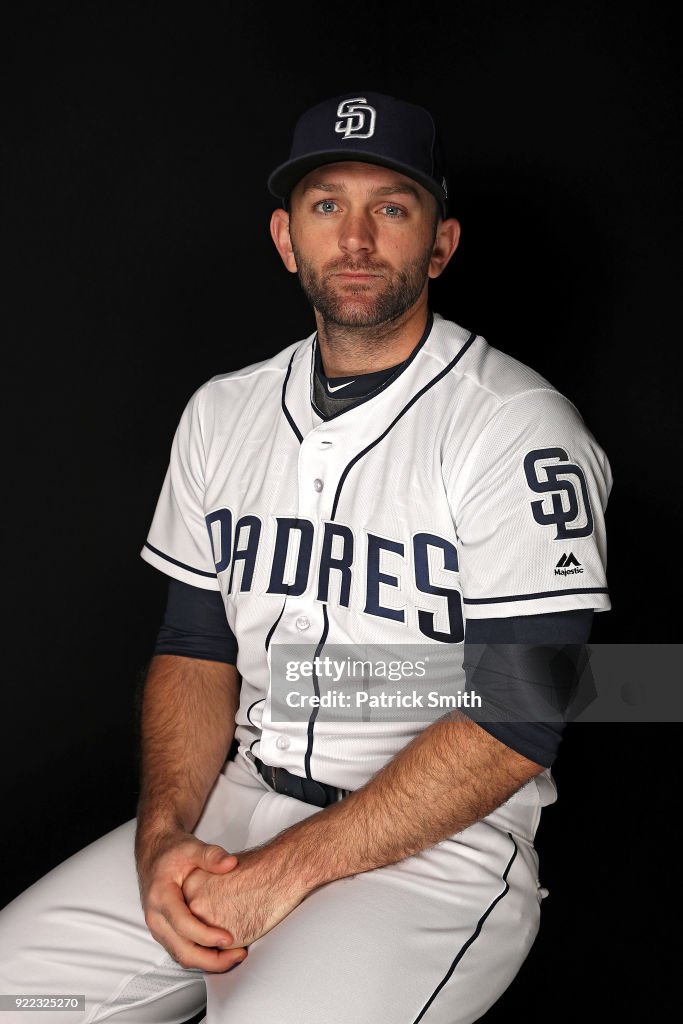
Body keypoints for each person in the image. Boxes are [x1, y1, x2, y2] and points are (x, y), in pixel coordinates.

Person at [0, 91, 611, 1023]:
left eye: (392, 208)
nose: (356, 238)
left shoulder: (516, 429)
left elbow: (523, 714)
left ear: (440, 244)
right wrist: (162, 837)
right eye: (327, 206)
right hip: (232, 808)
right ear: (286, 238)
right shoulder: (223, 411)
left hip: (426, 856)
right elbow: (197, 644)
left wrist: (283, 874)